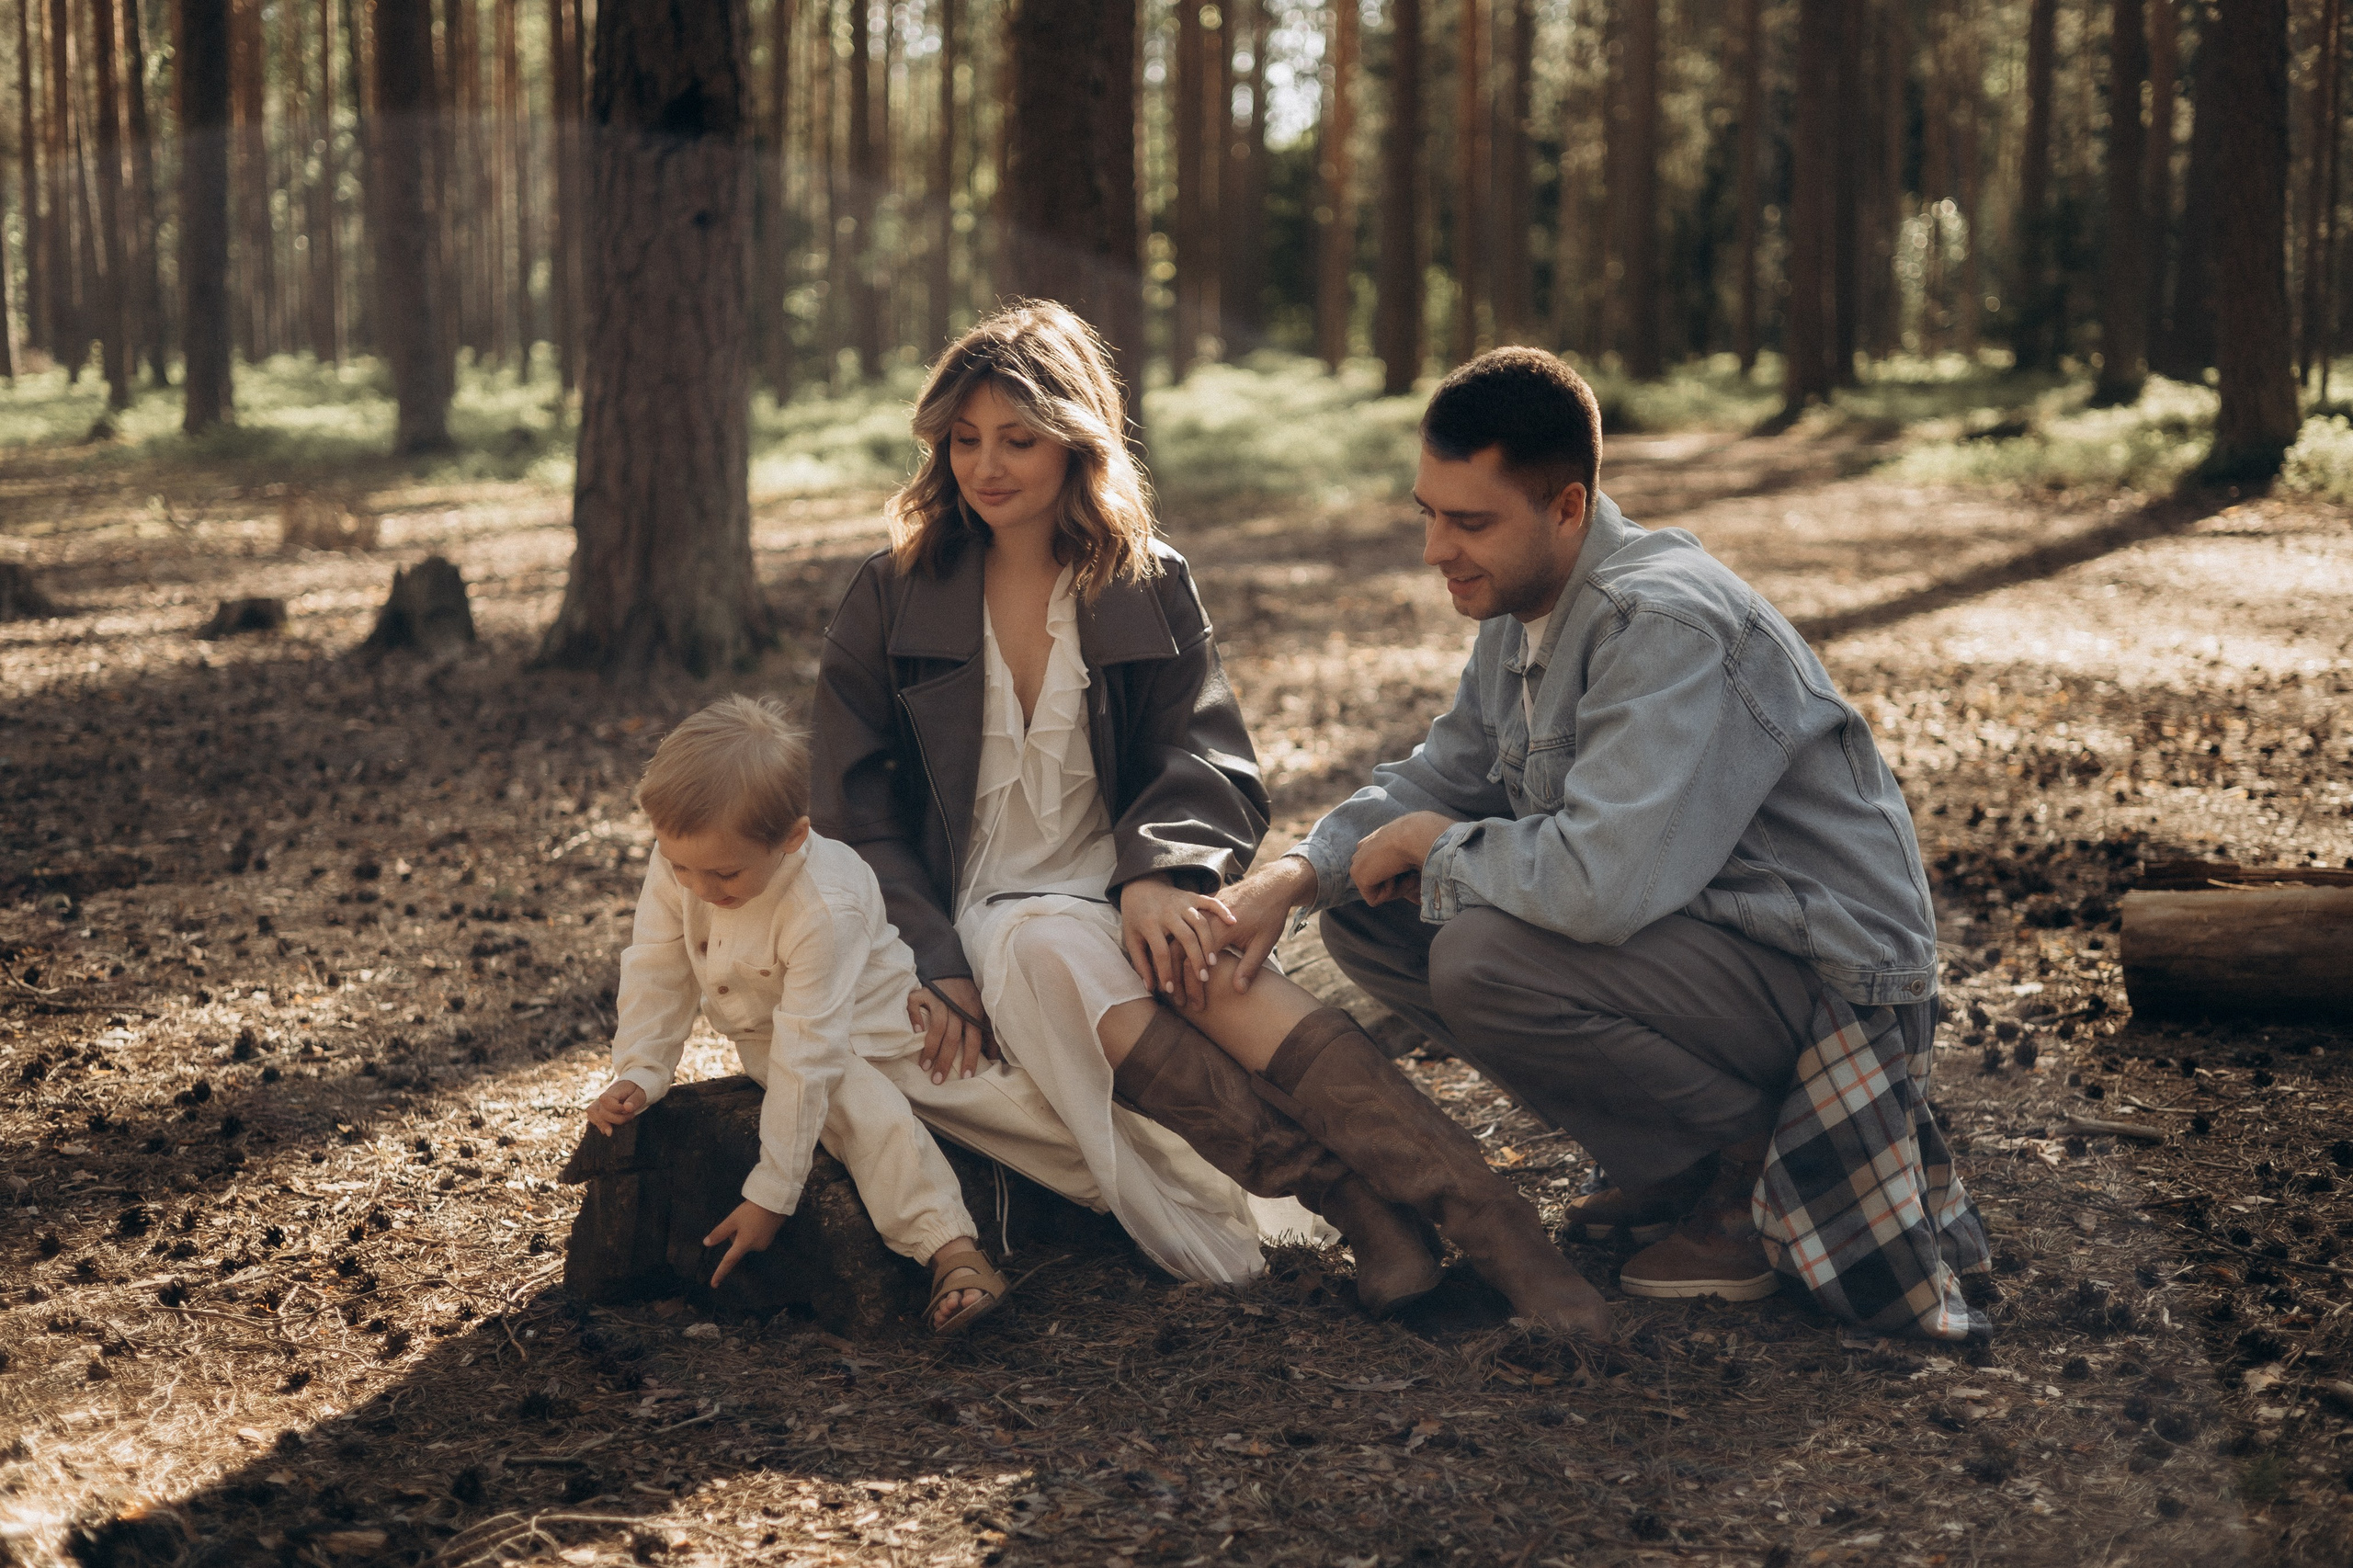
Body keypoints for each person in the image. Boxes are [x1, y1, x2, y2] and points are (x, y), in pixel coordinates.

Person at [813, 301, 1605, 1334]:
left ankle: (1504, 1237)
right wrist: (934, 954)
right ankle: (1357, 1204)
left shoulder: (1144, 580)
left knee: (1224, 973)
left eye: (1017, 437)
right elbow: (852, 805)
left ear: (1075, 438)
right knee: (1044, 938)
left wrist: (1160, 874)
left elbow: (1206, 755)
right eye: (963, 440)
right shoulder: (891, 595)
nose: (984, 465)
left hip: (1124, 882)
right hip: (976, 909)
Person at [1212, 347, 1991, 1341]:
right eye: (1429, 512)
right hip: (1705, 941)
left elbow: (1597, 888)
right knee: (1370, 915)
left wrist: (1441, 845)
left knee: (1481, 954)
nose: (1434, 548)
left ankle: (1749, 1167)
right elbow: (1442, 769)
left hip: (1829, 981)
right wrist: (1293, 874)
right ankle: (1674, 1163)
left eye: (1470, 520)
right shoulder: (1525, 603)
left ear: (1568, 507)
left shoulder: (1659, 620)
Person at [585, 695, 1011, 1336]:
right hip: (797, 1041)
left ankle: (1119, 1180)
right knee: (864, 1110)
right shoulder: (687, 861)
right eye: (680, 868)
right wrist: (641, 1071)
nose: (698, 888)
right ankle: (953, 1253)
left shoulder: (821, 906)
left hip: (891, 1035)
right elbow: (657, 967)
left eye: (724, 874)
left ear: (792, 839)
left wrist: (770, 1197)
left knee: (1034, 1126)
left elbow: (810, 1049)